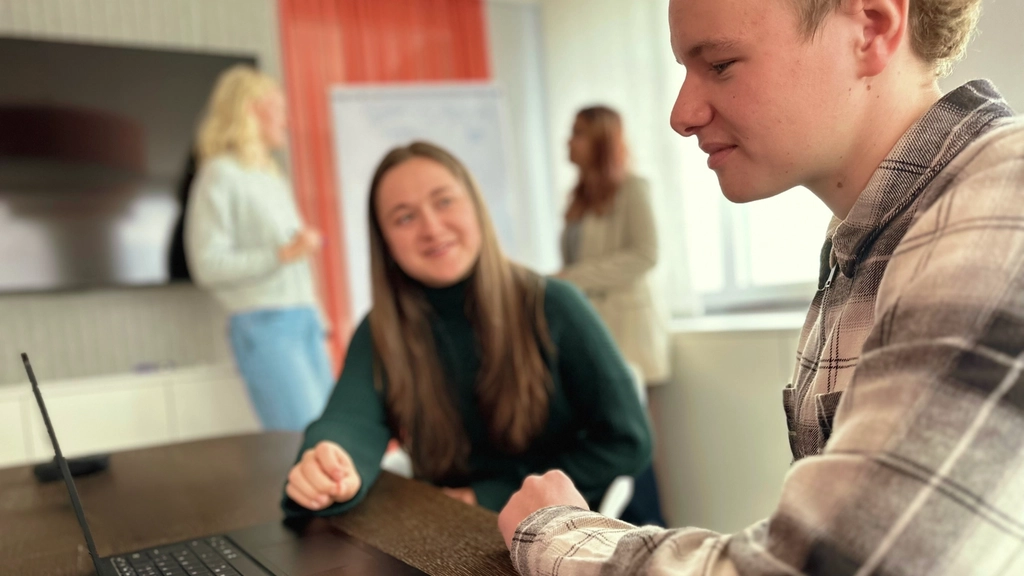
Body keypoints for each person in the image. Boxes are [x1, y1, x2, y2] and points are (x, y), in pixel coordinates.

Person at [499, 0, 1024, 574]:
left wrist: (555, 532)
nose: (682, 112)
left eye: (720, 64)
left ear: (871, 28)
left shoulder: (1003, 204)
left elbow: (828, 565)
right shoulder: (862, 243)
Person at [280, 142, 651, 517]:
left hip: (562, 534)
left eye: (444, 202)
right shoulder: (382, 328)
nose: (432, 228)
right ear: (385, 241)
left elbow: (626, 441)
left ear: (476, 206)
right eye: (404, 217)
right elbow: (350, 421)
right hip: (450, 534)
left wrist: (490, 496)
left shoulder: (553, 304)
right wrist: (328, 463)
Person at [185, 65, 333, 432]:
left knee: (333, 439)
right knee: (306, 445)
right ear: (250, 110)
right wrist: (281, 254)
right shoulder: (219, 174)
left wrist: (320, 321)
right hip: (265, 326)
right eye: (278, 108)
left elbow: (294, 261)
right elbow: (207, 265)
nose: (287, 119)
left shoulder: (269, 173)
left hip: (304, 321)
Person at [560, 105, 669, 526]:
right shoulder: (579, 198)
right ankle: (617, 533)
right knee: (606, 438)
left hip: (628, 335)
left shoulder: (632, 189)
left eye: (579, 133)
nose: (569, 142)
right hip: (595, 334)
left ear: (602, 139)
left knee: (632, 443)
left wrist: (572, 278)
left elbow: (646, 255)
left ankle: (651, 531)